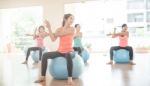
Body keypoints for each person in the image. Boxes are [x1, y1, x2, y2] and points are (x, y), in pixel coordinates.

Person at [34, 14, 75, 85]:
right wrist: (49, 28)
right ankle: (43, 76)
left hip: (69, 51)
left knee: (68, 54)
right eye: (71, 18)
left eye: (73, 19)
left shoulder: (72, 29)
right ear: (65, 19)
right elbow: (53, 39)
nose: (72, 20)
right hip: (60, 51)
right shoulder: (58, 29)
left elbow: (62, 34)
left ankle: (70, 78)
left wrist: (48, 34)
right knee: (45, 55)